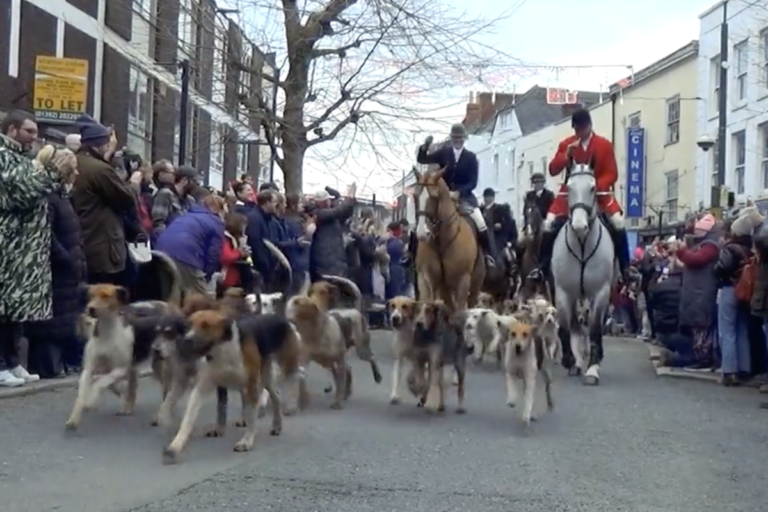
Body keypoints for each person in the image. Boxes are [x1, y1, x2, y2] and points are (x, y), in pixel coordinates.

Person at [0, 111, 76, 387]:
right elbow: (20, 194)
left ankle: (12, 362)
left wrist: (56, 177)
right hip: (9, 245)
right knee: (4, 306)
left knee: (18, 308)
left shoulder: (24, 159)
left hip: (27, 249)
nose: (35, 137)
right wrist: (52, 172)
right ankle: (1, 365)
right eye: (30, 131)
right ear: (12, 130)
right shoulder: (3, 156)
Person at [529, 109, 630, 281]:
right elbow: (553, 170)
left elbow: (611, 173)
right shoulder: (566, 145)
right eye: (576, 130)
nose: (579, 133)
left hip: (598, 193)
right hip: (569, 195)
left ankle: (626, 268)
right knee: (548, 224)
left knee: (618, 222)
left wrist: (595, 186)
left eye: (582, 129)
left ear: (589, 126)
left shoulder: (604, 145)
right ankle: (542, 268)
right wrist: (565, 155)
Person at [415, 123, 498, 267]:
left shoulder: (471, 157)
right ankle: (412, 256)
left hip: (465, 197)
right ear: (451, 138)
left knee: (481, 223)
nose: (457, 140)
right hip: (442, 198)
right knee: (423, 220)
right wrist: (425, 147)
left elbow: (473, 182)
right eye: (454, 137)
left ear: (464, 138)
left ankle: (488, 256)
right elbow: (422, 159)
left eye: (460, 138)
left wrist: (459, 192)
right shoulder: (444, 153)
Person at [71, 121, 139, 285]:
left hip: (80, 242)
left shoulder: (76, 161)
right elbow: (125, 199)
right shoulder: (100, 169)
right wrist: (134, 184)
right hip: (101, 247)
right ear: (100, 144)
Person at [155, 195, 226, 298]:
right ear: (217, 209)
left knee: (171, 295)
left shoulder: (186, 215)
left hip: (161, 250)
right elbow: (214, 253)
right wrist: (207, 275)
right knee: (202, 299)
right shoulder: (215, 222)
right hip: (187, 256)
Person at [309, 184, 357, 281]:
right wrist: (349, 198)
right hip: (325, 260)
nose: (329, 202)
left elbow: (344, 212)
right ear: (320, 203)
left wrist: (350, 202)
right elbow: (337, 212)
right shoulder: (318, 213)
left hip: (335, 257)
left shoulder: (331, 216)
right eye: (326, 200)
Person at [151, 165, 198, 234]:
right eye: (194, 181)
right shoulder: (165, 194)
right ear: (185, 180)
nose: (197, 184)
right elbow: (158, 222)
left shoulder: (191, 201)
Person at [481, 188, 517, 267]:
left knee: (508, 255)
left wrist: (501, 226)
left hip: (498, 237)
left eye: (489, 197)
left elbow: (508, 224)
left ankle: (511, 271)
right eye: (485, 197)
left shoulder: (500, 209)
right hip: (484, 237)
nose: (487, 199)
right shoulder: (481, 210)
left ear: (493, 198)